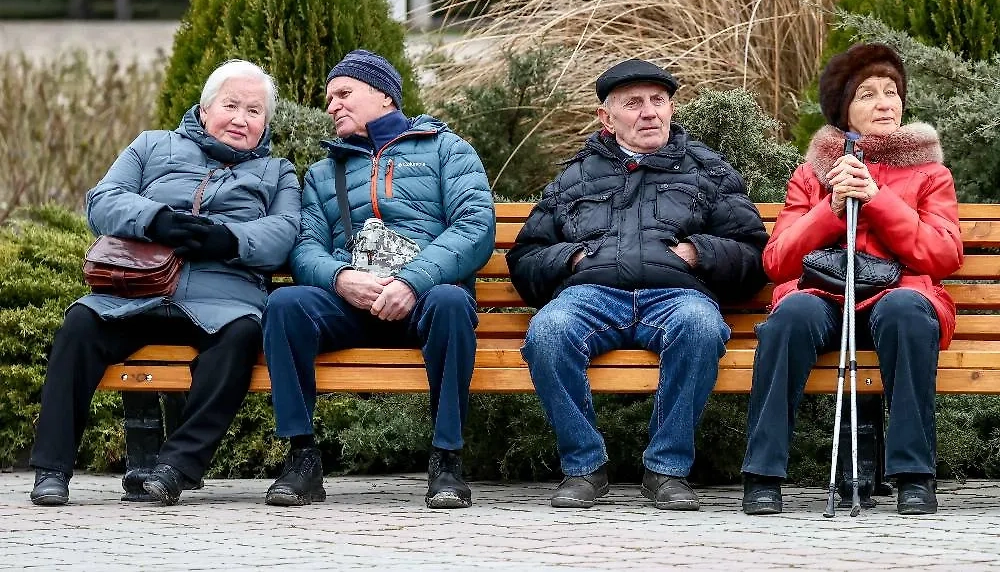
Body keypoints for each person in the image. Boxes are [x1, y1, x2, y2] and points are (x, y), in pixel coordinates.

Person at [29, 59, 301, 506]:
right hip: (136, 293)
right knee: (80, 322)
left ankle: (175, 468)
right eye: (231, 105)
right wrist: (155, 220)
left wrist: (226, 238)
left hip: (224, 300)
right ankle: (52, 470)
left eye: (254, 112)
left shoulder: (277, 172)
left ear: (265, 123)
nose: (241, 119)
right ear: (205, 107)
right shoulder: (151, 146)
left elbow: (286, 232)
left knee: (243, 335)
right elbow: (102, 201)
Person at [507, 59, 768, 510]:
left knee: (700, 327)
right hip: (591, 295)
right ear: (606, 119)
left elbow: (752, 250)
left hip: (678, 295)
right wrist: (569, 257)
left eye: (659, 100)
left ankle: (667, 471)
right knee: (549, 332)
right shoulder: (575, 176)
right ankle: (584, 467)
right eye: (634, 103)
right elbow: (526, 257)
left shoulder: (708, 171)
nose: (650, 112)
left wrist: (700, 252)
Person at [262, 50, 495, 509]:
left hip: (423, 299)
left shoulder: (447, 149)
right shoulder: (323, 172)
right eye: (329, 99)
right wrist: (341, 277)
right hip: (349, 303)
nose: (332, 106)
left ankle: (447, 459)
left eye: (343, 94)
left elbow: (475, 227)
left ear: (384, 95)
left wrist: (410, 283)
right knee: (284, 305)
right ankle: (302, 459)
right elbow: (304, 247)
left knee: (451, 302)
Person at [741, 43, 963, 516]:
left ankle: (914, 476)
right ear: (845, 111)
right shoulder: (812, 173)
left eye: (891, 92)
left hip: (898, 295)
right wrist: (831, 207)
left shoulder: (930, 173)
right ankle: (762, 475)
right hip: (826, 294)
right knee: (791, 314)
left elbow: (943, 256)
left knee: (905, 312)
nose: (884, 103)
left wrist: (878, 199)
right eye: (867, 94)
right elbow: (778, 262)